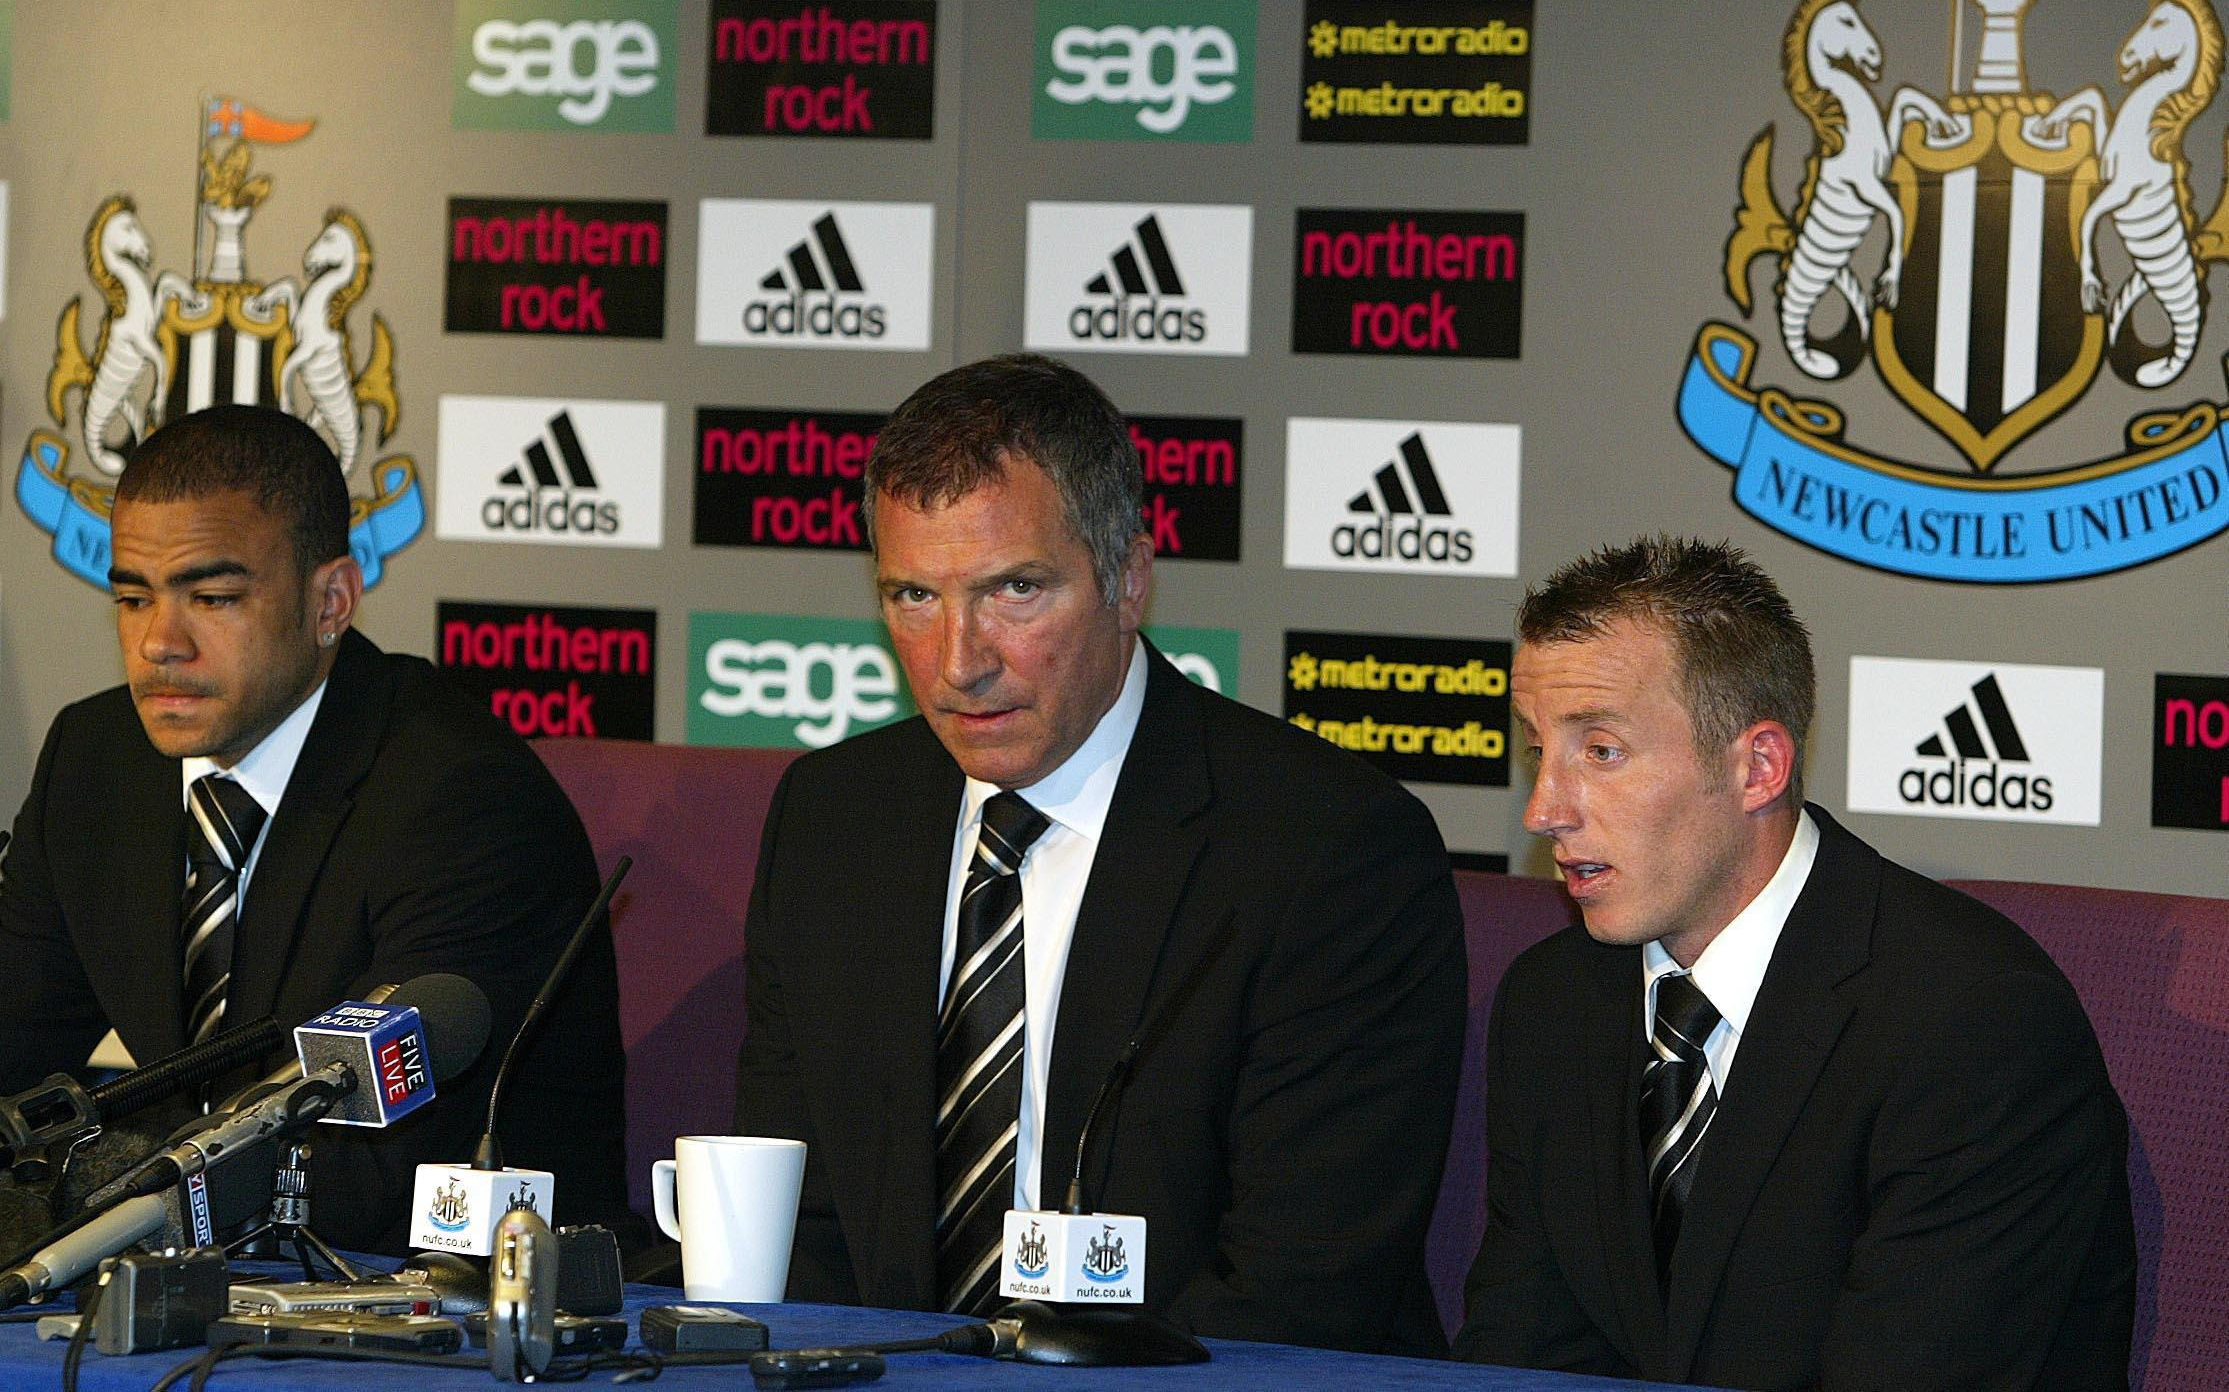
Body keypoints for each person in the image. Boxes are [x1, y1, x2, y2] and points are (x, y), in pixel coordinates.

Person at [734, 353, 1466, 1353]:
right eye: (914, 597)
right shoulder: (835, 819)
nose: (960, 660)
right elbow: (799, 1224)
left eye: (1016, 590)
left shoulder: (1325, 851)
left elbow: (1298, 1293)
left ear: (1128, 578)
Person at [1455, 536, 2134, 1390]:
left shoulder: (1971, 1026)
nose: (1544, 809)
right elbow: (1523, 1354)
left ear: (1757, 768)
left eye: (1601, 751)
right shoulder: (1554, 1001)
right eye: (1536, 751)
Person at [0, 405, 631, 1252]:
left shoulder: (465, 797)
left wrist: (84, 1174)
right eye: (131, 595)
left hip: (458, 1316)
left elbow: (374, 1180)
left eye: (213, 597)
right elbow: (15, 1050)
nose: (159, 643)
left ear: (331, 600)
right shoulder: (97, 759)